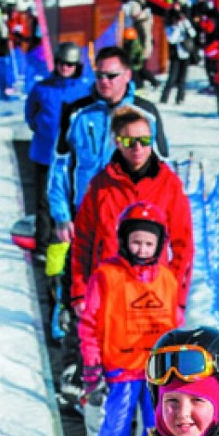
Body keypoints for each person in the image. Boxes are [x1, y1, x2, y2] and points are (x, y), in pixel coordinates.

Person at [47, 45, 168, 400]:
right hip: (86, 224)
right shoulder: (78, 112)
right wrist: (60, 212)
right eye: (99, 74)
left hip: (131, 228)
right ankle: (77, 368)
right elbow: (60, 166)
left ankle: (134, 369)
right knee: (81, 295)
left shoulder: (145, 113)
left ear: (128, 76)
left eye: (111, 75)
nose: (104, 82)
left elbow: (161, 169)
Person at [78, 204, 184, 436]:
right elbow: (90, 322)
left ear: (158, 245)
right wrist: (92, 364)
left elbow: (174, 323)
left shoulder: (165, 279)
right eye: (136, 242)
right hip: (120, 369)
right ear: (124, 241)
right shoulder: (107, 276)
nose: (141, 249)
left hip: (157, 372)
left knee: (159, 431)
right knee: (115, 428)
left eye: (148, 244)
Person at [70, 104, 193, 317]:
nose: (138, 148)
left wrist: (176, 297)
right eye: (129, 142)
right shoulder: (101, 185)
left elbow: (184, 246)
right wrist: (80, 291)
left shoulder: (168, 184)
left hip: (153, 296)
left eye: (144, 141)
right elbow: (82, 241)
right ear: (118, 143)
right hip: (108, 292)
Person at [24, 41, 89, 261]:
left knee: (69, 198)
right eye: (61, 64)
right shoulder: (43, 88)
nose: (65, 68)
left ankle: (69, 244)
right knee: (43, 199)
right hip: (45, 153)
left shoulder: (84, 89)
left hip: (71, 155)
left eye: (70, 65)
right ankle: (42, 244)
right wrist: (40, 128)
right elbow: (30, 113)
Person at [161, 2, 196, 105]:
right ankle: (164, 98)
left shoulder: (185, 23)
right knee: (172, 77)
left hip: (185, 53)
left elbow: (193, 34)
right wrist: (177, 28)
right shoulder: (169, 27)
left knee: (183, 78)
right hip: (175, 55)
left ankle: (180, 98)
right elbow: (172, 40)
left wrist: (185, 23)